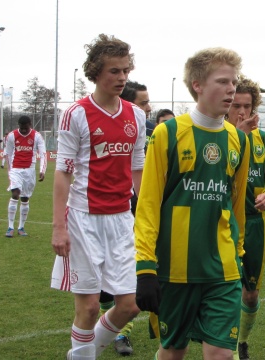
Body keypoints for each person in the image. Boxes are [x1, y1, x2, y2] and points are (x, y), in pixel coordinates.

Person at [133, 47, 250, 360]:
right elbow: (148, 204)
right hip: (174, 270)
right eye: (223, 81)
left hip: (223, 269)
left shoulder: (238, 139)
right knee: (173, 352)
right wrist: (145, 266)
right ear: (198, 84)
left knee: (221, 355)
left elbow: (236, 206)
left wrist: (238, 254)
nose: (231, 89)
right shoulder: (167, 134)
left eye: (234, 83)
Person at [50, 33, 145, 360]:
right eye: (114, 71)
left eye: (125, 71)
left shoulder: (137, 115)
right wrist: (58, 227)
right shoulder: (76, 114)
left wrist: (145, 217)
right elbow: (62, 172)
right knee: (89, 308)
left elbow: (137, 170)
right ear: (96, 73)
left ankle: (81, 355)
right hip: (83, 220)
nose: (121, 78)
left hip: (121, 221)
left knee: (130, 306)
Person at [225, 76, 265, 360]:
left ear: (254, 108)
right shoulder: (218, 135)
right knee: (225, 291)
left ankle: (242, 341)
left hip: (254, 224)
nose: (241, 112)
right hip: (223, 223)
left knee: (250, 295)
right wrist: (236, 136)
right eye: (236, 105)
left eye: (246, 106)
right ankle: (227, 348)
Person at [96, 79, 153, 356]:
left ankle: (121, 334)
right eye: (143, 102)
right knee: (105, 288)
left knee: (132, 284)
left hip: (135, 212)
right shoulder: (108, 128)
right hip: (104, 214)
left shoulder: (151, 130)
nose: (149, 108)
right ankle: (100, 337)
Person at [3, 117, 47, 237]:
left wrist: (42, 170)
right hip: (16, 169)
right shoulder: (12, 136)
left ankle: (21, 227)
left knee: (25, 199)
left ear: (30, 125)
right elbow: (9, 153)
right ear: (18, 125)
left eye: (25, 128)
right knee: (15, 193)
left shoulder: (37, 136)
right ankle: (10, 227)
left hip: (30, 171)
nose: (23, 130)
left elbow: (43, 154)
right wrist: (10, 171)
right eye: (21, 128)